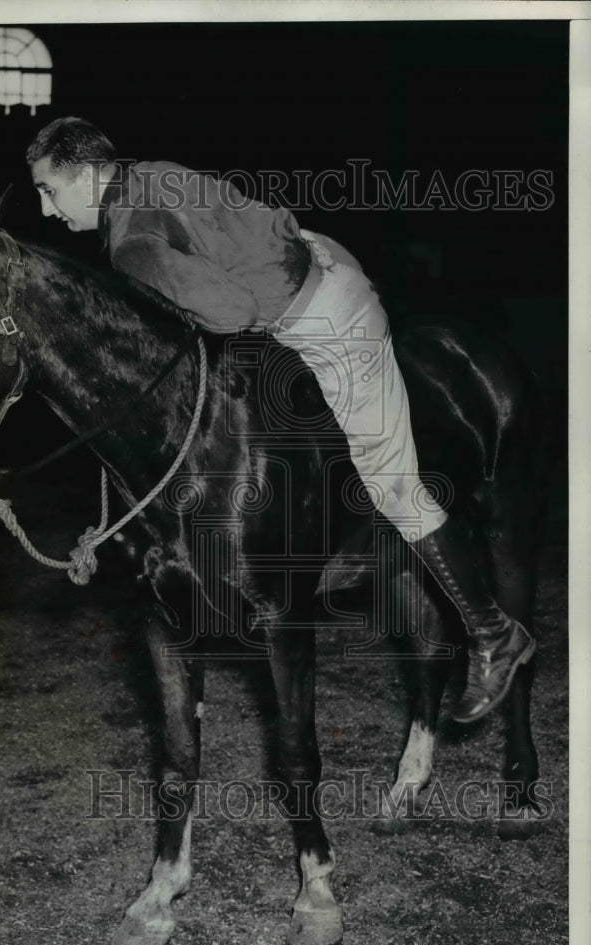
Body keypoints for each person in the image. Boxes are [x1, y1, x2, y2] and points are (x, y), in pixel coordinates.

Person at [26, 116, 535, 724]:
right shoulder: (147, 173)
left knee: (393, 485)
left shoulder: (131, 243)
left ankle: (493, 633)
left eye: (49, 190)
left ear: (85, 175)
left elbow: (233, 310)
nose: (46, 208)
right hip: (315, 261)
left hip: (328, 321)